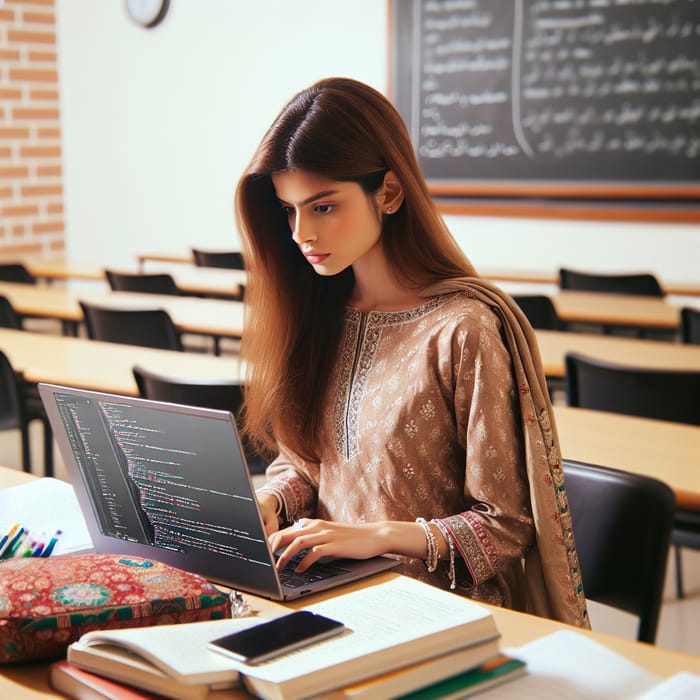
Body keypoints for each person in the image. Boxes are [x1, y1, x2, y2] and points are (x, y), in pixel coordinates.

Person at [235, 77, 588, 628]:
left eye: (323, 206)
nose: (301, 233)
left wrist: (375, 537)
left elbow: (506, 529)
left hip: (433, 618)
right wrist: (272, 503)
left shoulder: (463, 330)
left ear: (390, 194)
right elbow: (308, 464)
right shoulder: (321, 312)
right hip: (327, 601)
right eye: (289, 210)